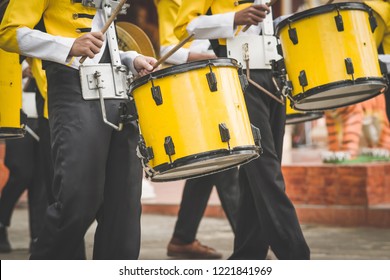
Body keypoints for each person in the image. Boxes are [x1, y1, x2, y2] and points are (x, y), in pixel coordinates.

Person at [0, 0, 158, 259]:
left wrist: (131, 59)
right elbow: (7, 32)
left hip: (117, 91)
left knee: (124, 208)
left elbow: (104, 42)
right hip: (73, 88)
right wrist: (68, 45)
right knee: (78, 200)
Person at [175, 0, 310, 259]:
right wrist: (234, 18)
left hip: (273, 75)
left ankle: (247, 256)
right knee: (267, 171)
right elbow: (188, 27)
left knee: (255, 176)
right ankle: (297, 256)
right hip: (238, 76)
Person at [154, 0, 240, 259]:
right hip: (193, 82)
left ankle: (183, 238)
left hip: (213, 78)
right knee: (225, 157)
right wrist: (213, 57)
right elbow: (168, 50)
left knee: (209, 162)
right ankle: (251, 244)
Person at [0, 61, 48, 254]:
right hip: (18, 116)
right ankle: (1, 224)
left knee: (41, 180)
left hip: (46, 116)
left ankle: (37, 238)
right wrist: (22, 73)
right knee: (22, 173)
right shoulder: (13, 44)